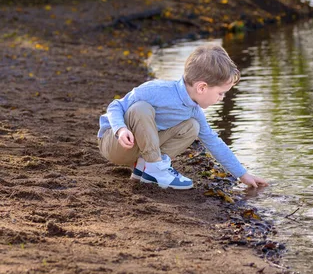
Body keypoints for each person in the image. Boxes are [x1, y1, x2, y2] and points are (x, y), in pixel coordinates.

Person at [97, 44, 268, 190]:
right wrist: (120, 129)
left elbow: (213, 141)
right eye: (220, 93)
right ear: (202, 87)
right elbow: (115, 106)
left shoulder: (193, 111)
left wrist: (242, 174)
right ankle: (156, 167)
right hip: (115, 143)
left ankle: (146, 169)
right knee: (140, 108)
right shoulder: (156, 90)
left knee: (193, 126)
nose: (221, 98)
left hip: (139, 150)